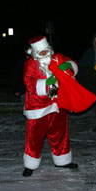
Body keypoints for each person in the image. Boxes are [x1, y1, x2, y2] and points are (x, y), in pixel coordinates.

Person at [22, 35, 86, 177]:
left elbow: (72, 64)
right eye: (41, 52)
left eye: (46, 50)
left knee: (60, 134)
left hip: (58, 103)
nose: (44, 53)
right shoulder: (31, 64)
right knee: (34, 137)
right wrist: (47, 84)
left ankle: (62, 160)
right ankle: (30, 164)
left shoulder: (57, 57)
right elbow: (29, 83)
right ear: (35, 53)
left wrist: (68, 67)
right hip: (38, 106)